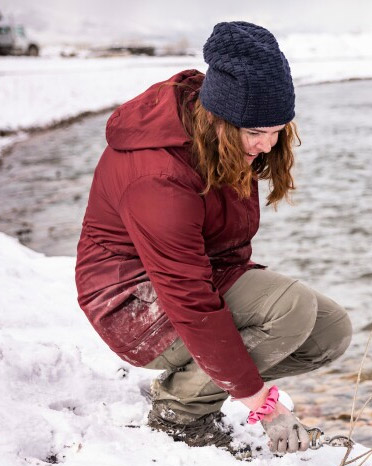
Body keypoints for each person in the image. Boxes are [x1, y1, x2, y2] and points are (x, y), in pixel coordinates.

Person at [75, 21, 352, 459]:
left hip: (196, 274)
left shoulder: (222, 133)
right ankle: (178, 413)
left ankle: (189, 382)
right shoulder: (158, 174)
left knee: (330, 330)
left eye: (277, 129)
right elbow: (187, 297)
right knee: (291, 309)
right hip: (130, 300)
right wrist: (263, 405)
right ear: (220, 118)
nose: (267, 144)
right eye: (255, 132)